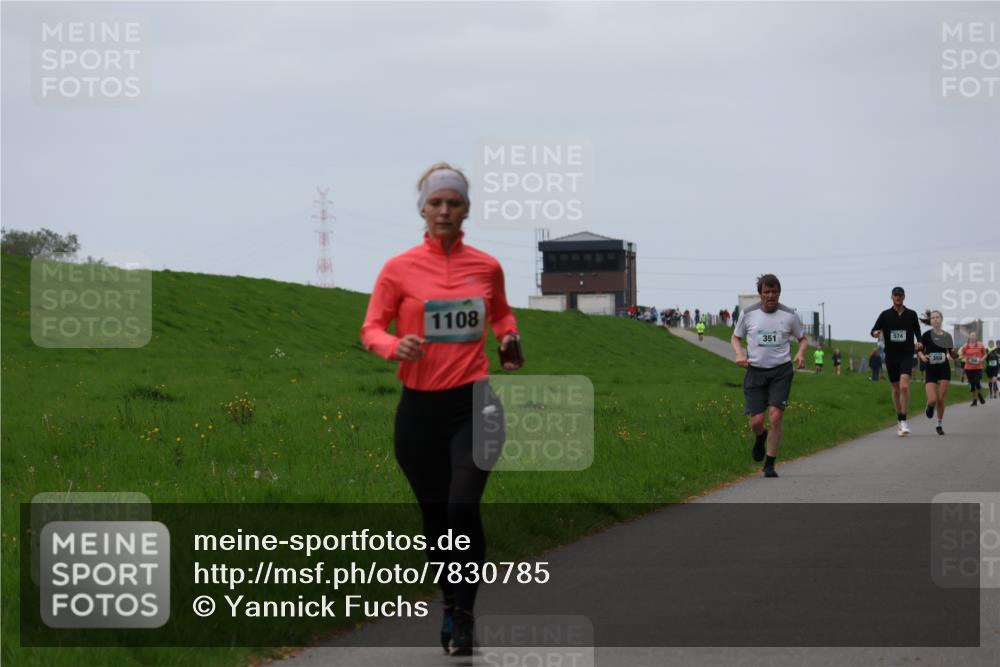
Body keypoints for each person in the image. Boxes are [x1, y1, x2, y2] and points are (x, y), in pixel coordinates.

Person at [360, 162, 523, 655]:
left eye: (454, 202)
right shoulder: (398, 269)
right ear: (423, 210)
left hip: (474, 404)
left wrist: (509, 336)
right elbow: (370, 328)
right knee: (436, 517)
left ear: (466, 209)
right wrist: (394, 347)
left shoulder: (486, 266)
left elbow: (500, 312)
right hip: (419, 411)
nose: (445, 210)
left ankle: (466, 615)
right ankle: (450, 605)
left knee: (461, 507)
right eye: (436, 203)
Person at [731, 274, 807, 478]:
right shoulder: (748, 313)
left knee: (775, 416)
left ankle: (770, 463)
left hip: (781, 371)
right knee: (756, 421)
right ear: (760, 294)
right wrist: (739, 354)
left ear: (779, 293)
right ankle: (760, 436)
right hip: (755, 372)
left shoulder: (789, 315)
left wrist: (800, 353)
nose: (771, 296)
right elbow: (736, 337)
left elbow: (802, 338)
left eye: (774, 292)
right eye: (767, 292)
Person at [870, 286, 922, 436]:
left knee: (904, 385)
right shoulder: (885, 315)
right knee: (895, 388)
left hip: (907, 353)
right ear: (891, 297)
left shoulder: (911, 314)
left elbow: (917, 330)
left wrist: (919, 341)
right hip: (891, 355)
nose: (898, 297)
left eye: (900, 295)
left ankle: (904, 419)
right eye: (895, 295)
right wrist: (876, 333)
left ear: (904, 297)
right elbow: (873, 330)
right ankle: (899, 419)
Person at [917, 310, 959, 435]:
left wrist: (954, 353)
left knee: (941, 398)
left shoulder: (947, 336)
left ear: (941, 320)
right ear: (930, 321)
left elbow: (952, 354)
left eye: (937, 317)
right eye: (933, 318)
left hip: (944, 369)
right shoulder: (925, 335)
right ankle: (929, 407)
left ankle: (939, 424)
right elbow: (918, 351)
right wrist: (922, 356)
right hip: (930, 370)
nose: (935, 319)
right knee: (932, 400)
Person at [958, 332, 987, 406]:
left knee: (977, 381)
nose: (973, 337)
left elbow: (985, 354)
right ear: (969, 337)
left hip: (978, 367)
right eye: (971, 335)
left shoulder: (980, 345)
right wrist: (961, 357)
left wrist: (982, 359)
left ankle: (979, 395)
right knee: (972, 385)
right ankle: (974, 401)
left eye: (974, 335)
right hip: (968, 368)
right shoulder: (965, 346)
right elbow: (961, 354)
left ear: (976, 337)